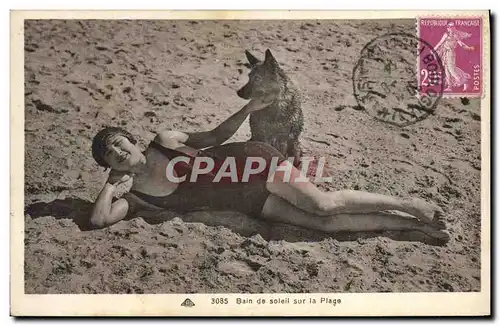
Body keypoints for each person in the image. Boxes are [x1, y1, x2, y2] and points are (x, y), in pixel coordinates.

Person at [89, 98, 448, 241]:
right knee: (321, 224)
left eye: (119, 143)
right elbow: (99, 221)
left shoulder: (165, 140)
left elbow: (215, 135)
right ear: (107, 164)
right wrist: (110, 186)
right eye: (110, 154)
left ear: (132, 140)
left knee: (321, 204)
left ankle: (409, 204)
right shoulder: (135, 197)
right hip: (247, 202)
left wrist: (247, 110)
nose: (118, 152)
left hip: (251, 163)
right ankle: (409, 225)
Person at [434, 21, 475, 91]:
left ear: (454, 28)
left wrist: (469, 48)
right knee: (446, 70)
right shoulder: (446, 35)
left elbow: (461, 44)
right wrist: (434, 49)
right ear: (447, 28)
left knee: (451, 69)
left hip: (451, 53)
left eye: (452, 27)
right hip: (445, 53)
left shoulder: (456, 36)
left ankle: (464, 82)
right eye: (449, 27)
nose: (450, 28)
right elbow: (440, 43)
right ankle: (449, 87)